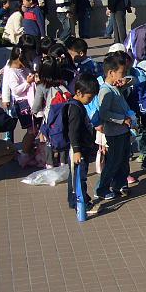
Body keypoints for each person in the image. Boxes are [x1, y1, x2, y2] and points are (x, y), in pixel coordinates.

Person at [96, 53, 133, 202]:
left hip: (123, 131)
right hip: (114, 132)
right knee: (113, 161)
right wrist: (121, 119)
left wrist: (124, 81)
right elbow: (104, 113)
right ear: (111, 73)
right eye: (121, 73)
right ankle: (102, 189)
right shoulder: (106, 90)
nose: (123, 76)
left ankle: (120, 184)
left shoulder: (115, 86)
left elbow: (132, 81)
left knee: (123, 160)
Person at [66, 72, 100, 217]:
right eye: (89, 97)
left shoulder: (78, 105)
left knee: (78, 176)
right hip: (77, 150)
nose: (90, 100)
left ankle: (78, 200)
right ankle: (80, 203)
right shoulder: (75, 108)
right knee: (79, 177)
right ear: (78, 92)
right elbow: (73, 132)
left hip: (81, 148)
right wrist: (77, 150)